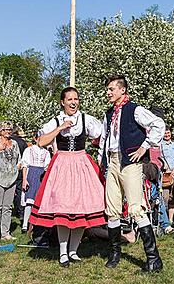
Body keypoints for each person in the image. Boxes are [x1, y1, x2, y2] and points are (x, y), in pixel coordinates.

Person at [30, 87, 106, 268]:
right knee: (63, 208)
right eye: (70, 99)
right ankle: (63, 252)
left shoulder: (86, 119)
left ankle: (74, 250)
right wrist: (60, 128)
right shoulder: (56, 120)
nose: (73, 102)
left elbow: (101, 135)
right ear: (62, 102)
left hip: (81, 163)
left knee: (81, 207)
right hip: (62, 165)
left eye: (76, 99)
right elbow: (41, 141)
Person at [99, 74, 165, 273]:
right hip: (113, 162)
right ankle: (114, 253)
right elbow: (104, 138)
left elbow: (158, 125)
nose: (108, 92)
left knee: (136, 208)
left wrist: (144, 146)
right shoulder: (109, 113)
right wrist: (102, 161)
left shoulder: (134, 109)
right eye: (108, 89)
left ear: (122, 90)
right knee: (112, 208)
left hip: (130, 162)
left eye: (111, 89)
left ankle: (154, 259)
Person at [21, 133, 50, 233]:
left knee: (38, 201)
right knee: (29, 201)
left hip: (41, 175)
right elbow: (24, 165)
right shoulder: (29, 150)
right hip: (31, 174)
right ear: (35, 139)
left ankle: (36, 224)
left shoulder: (46, 152)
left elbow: (47, 166)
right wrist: (25, 179)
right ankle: (25, 224)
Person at [11, 126, 28, 222]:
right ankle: (20, 211)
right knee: (19, 189)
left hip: (10, 168)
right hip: (20, 168)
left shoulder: (9, 142)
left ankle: (12, 208)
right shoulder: (23, 143)